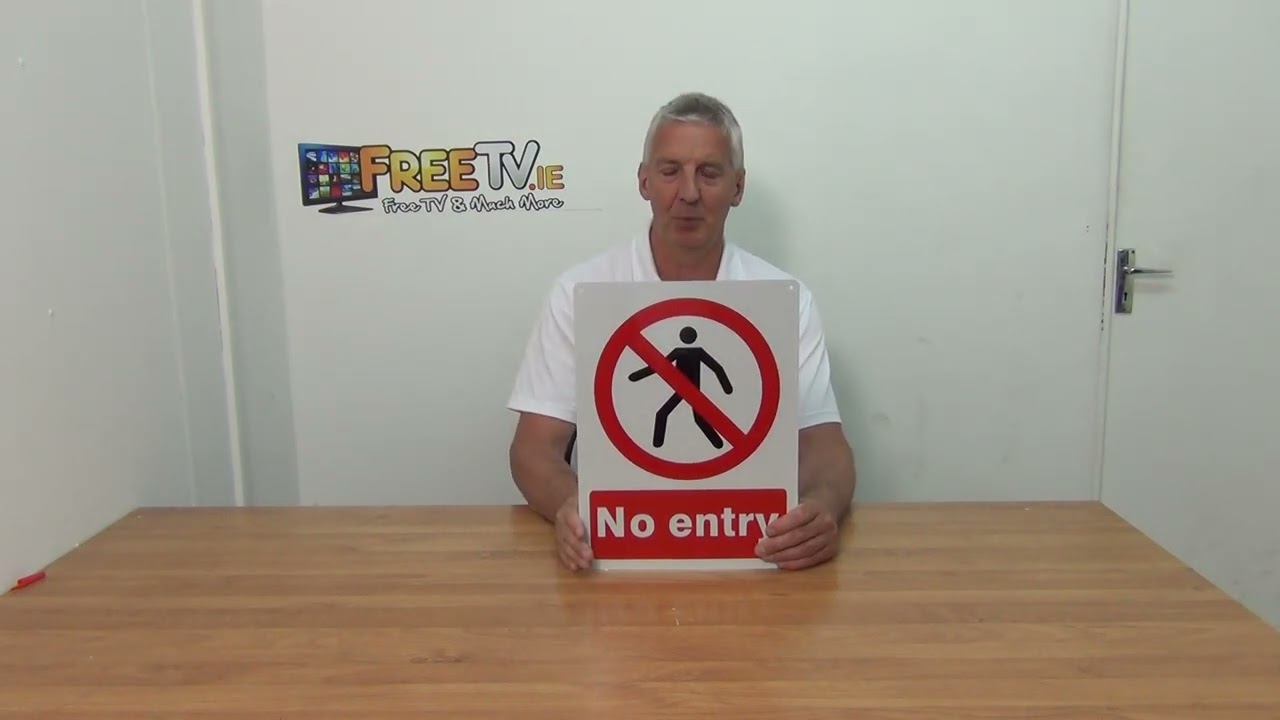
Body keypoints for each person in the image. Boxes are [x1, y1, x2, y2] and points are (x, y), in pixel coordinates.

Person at [505, 91, 856, 572]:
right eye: (670, 171)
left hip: (751, 549)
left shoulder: (785, 299)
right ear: (644, 181)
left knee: (690, 416)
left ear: (738, 187)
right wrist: (570, 506)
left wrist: (823, 507)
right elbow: (533, 449)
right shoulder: (580, 292)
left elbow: (825, 445)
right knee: (674, 411)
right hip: (618, 549)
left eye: (709, 173)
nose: (688, 193)